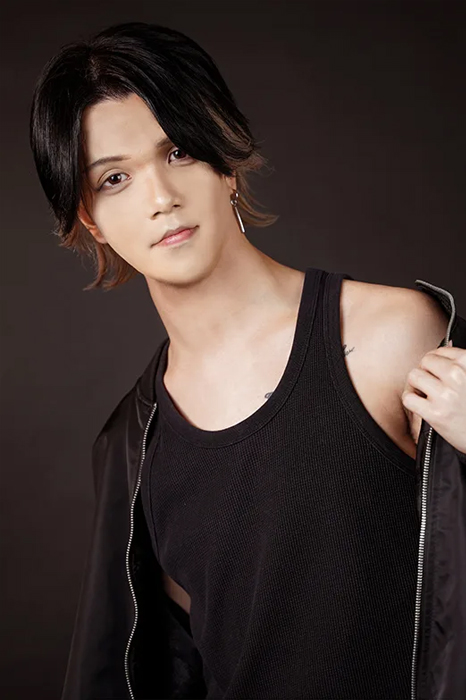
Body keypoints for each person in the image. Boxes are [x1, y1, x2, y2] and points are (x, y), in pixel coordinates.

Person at [29, 21, 466, 700]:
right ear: (90, 220)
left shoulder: (392, 336)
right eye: (114, 179)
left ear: (224, 161)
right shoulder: (133, 450)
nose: (160, 198)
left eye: (178, 151)